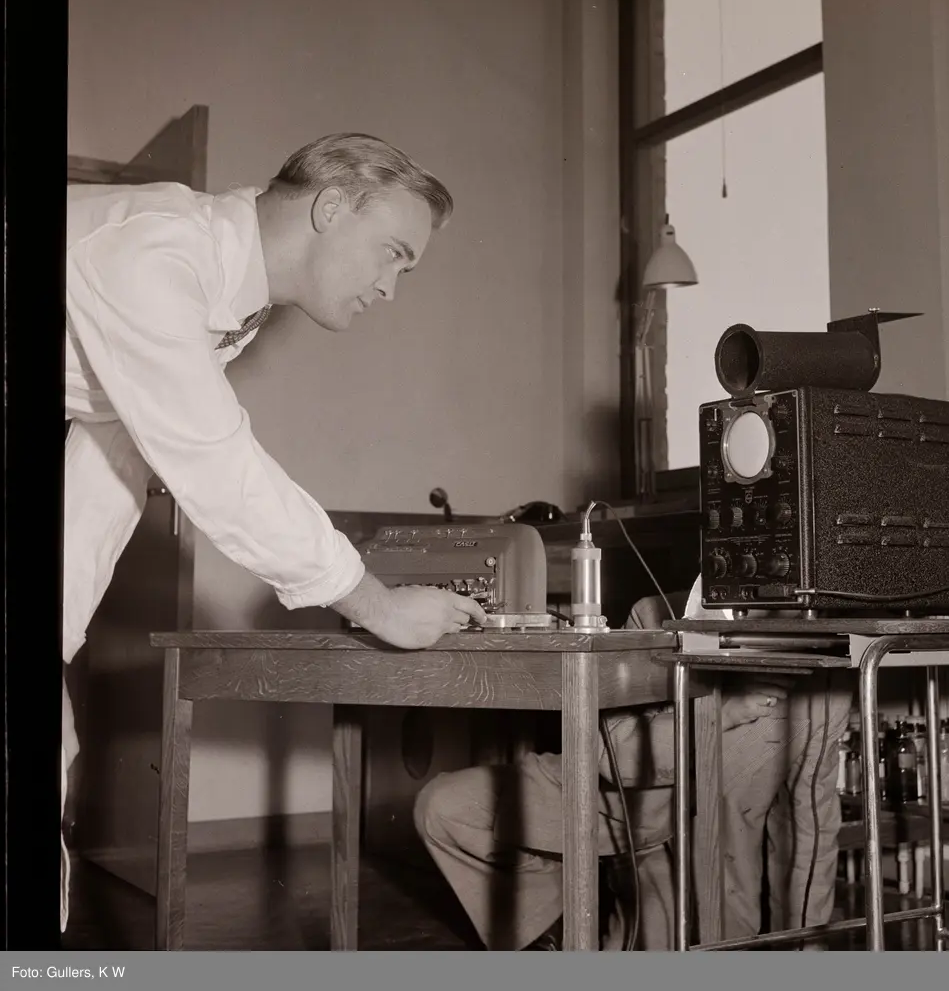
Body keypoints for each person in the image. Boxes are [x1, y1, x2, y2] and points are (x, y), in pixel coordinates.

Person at [62, 133, 486, 928]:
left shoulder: (235, 305)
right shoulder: (156, 255)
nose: (390, 289)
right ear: (331, 207)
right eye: (393, 254)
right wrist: (376, 604)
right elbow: (214, 462)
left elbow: (111, 453)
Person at [413, 592, 853, 950]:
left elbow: (810, 827)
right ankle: (554, 929)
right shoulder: (653, 611)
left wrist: (807, 949)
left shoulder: (824, 666)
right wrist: (720, 712)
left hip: (690, 851)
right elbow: (615, 757)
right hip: (601, 804)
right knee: (444, 808)